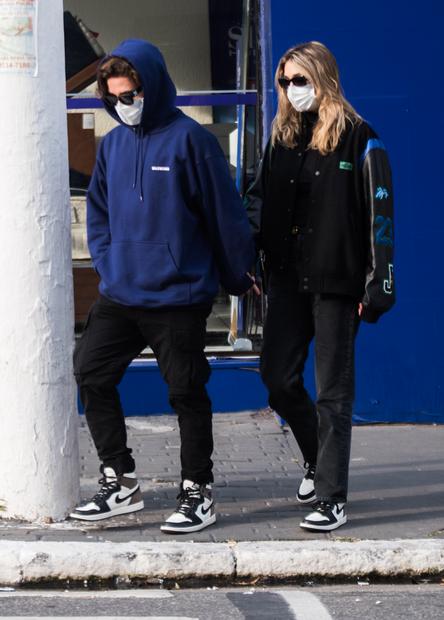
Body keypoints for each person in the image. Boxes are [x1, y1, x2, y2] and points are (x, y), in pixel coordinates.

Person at [71, 39, 256, 534]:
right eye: (113, 99)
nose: (123, 106)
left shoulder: (190, 140)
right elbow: (100, 212)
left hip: (178, 295)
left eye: (130, 95)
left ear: (151, 86)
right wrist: (109, 266)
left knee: (186, 393)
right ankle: (120, 481)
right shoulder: (112, 145)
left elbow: (223, 214)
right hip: (121, 292)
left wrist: (240, 275)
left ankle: (198, 492)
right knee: (89, 372)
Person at [246, 41, 395, 531]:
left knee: (333, 393)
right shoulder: (281, 138)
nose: (293, 90)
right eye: (286, 82)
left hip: (337, 281)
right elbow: (258, 200)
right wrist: (252, 260)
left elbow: (381, 216)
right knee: (277, 379)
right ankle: (316, 459)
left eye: (301, 80)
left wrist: (379, 284)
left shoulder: (359, 137)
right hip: (286, 280)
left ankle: (331, 497)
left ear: (324, 79)